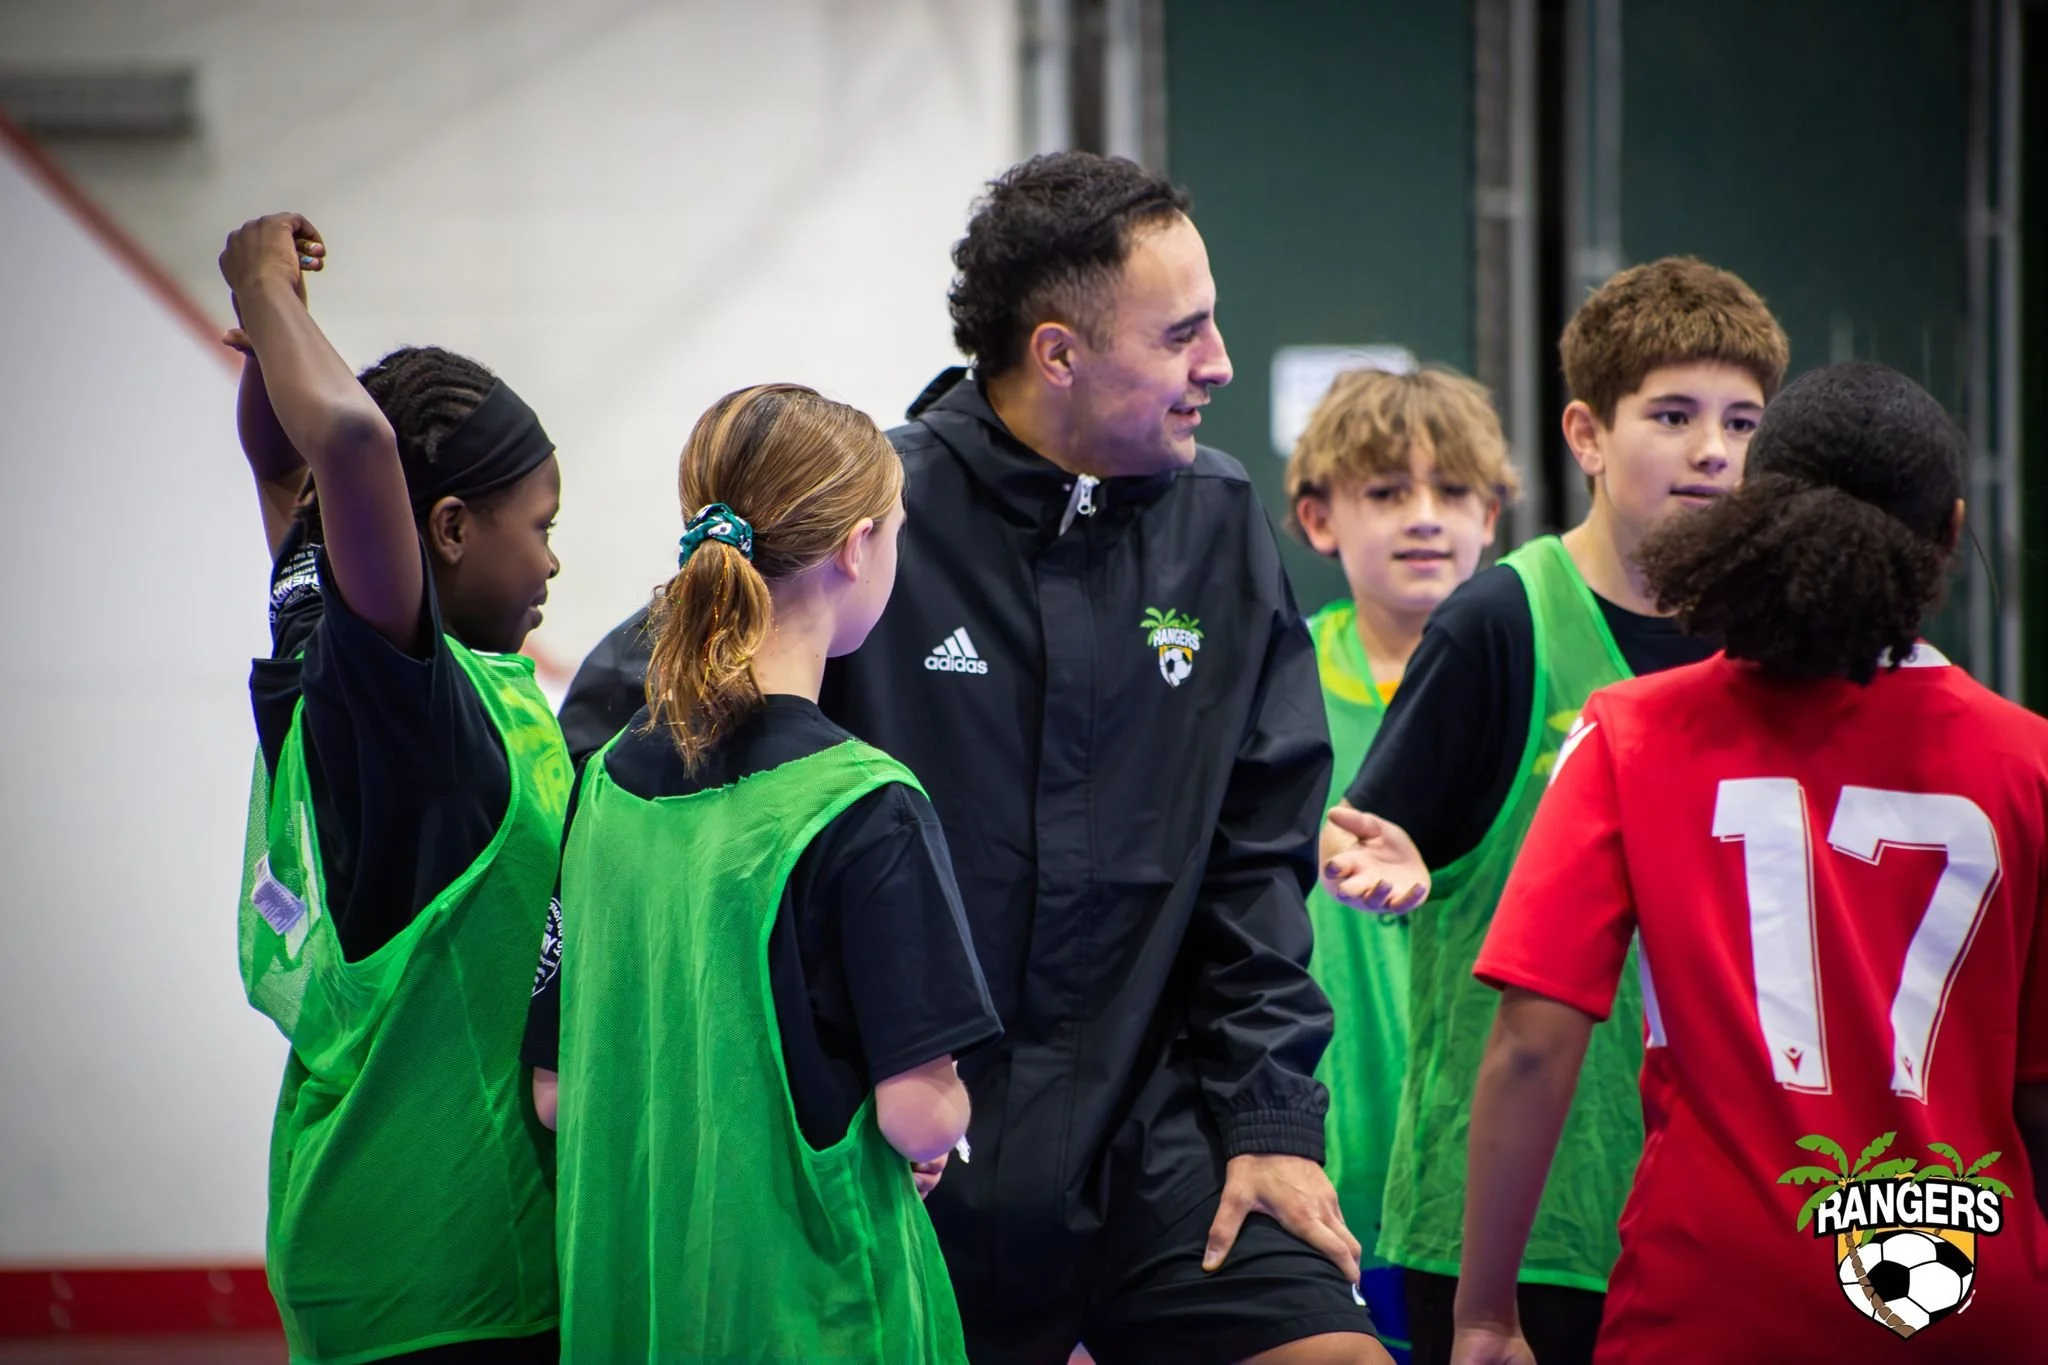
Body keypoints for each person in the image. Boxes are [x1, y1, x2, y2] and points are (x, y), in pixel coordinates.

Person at [558, 152, 1388, 1364]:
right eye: (1182, 334)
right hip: (910, 1159)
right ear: (1057, 353)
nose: (1216, 364)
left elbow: (1254, 864)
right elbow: (631, 747)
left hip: (1147, 1143)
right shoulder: (863, 529)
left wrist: (1271, 1121)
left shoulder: (1217, 526)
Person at [1451, 360, 2048, 1365]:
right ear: (1948, 531)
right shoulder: (2028, 762)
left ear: (1748, 509)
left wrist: (1481, 1314)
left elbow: (1528, 1043)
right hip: (1971, 1306)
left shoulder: (1630, 734)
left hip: (1713, 1299)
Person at [1319, 257, 1790, 1365]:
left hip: (1717, 1206)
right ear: (1585, 435)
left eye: (1738, 421)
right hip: (1512, 1234)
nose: (1711, 450)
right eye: (1670, 416)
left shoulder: (1777, 637)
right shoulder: (1497, 623)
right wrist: (1388, 863)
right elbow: (1373, 837)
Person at [524, 383, 1001, 1361]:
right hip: (809, 1314)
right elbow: (917, 1113)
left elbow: (557, 1094)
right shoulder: (863, 802)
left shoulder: (606, 784)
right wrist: (934, 1131)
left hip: (632, 1305)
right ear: (857, 547)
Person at [224, 213, 568, 1363]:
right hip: (455, 1277)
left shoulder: (316, 619)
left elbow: (285, 463)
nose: (555, 562)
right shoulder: (415, 711)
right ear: (452, 529)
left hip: (353, 1231)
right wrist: (258, 282)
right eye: (541, 529)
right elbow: (353, 449)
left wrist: (286, 333)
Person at [1283, 366, 1519, 1363]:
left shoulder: (1542, 686)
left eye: (1452, 491)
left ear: (1492, 515)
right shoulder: (1274, 686)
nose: (1424, 519)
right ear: (1317, 518)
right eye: (1385, 492)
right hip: (1327, 1151)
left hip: (1485, 1153)